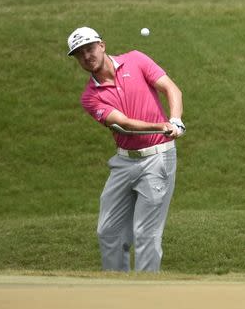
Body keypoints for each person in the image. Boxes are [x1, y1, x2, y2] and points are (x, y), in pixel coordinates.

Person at [67, 26, 185, 272]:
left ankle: (145, 295)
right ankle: (116, 290)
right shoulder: (90, 97)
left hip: (158, 158)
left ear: (102, 45)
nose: (87, 56)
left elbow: (171, 88)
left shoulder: (136, 59)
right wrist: (161, 125)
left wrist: (175, 120)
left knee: (146, 233)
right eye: (80, 54)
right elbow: (124, 124)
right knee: (107, 231)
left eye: (90, 48)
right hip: (124, 162)